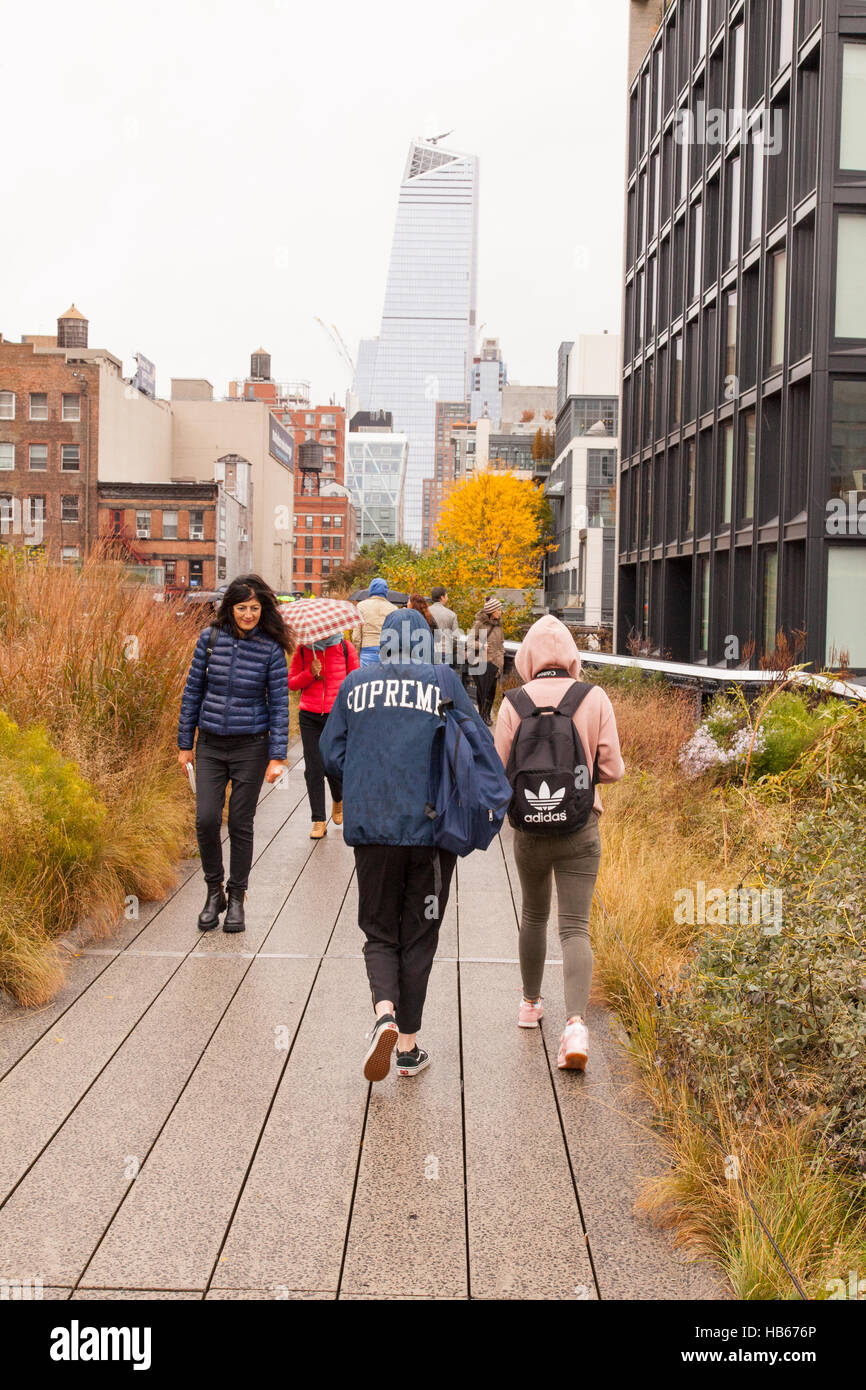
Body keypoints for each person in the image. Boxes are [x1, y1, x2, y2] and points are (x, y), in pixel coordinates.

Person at [320, 608, 490, 1083]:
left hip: (374, 829)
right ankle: (408, 1048)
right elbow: (477, 742)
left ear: (385, 641)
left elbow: (331, 754)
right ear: (427, 641)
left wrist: (363, 782)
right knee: (419, 934)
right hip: (431, 832)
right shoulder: (443, 681)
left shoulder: (356, 684)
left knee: (378, 930)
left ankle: (385, 1015)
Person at [493, 614, 624, 1070]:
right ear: (571, 655)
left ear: (527, 658)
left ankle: (530, 1005)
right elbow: (613, 769)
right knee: (574, 928)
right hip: (580, 828)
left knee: (533, 915)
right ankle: (575, 1026)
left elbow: (498, 770)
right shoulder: (593, 697)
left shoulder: (513, 703)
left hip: (529, 830)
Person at [178, 574, 291, 934]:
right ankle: (214, 892)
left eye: (254, 608)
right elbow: (192, 692)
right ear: (230, 607)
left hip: (251, 747)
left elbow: (279, 705)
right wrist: (185, 745)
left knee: (241, 823)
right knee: (206, 819)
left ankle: (237, 896)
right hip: (210, 744)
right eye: (242, 607)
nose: (248, 614)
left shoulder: (270, 649)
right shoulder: (210, 639)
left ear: (263, 609)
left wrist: (277, 755)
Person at [289, 633, 359, 838]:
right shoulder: (304, 649)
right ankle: (318, 820)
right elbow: (291, 683)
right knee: (313, 768)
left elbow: (356, 683)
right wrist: (310, 673)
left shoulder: (345, 648)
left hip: (336, 716)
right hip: (309, 716)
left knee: (332, 764)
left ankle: (338, 798)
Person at [469, 596, 504, 725]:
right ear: (492, 611)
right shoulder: (479, 624)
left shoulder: (499, 626)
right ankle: (482, 715)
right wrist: (481, 645)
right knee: (483, 691)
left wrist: (500, 663)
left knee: (491, 691)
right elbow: (470, 642)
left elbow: (501, 645)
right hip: (482, 662)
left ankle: (487, 715)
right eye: (498, 610)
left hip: (495, 663)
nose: (500, 612)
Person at [355, 576, 396, 667]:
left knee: (366, 676)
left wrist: (357, 653)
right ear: (386, 591)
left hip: (367, 649)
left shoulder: (361, 606)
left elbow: (356, 637)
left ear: (371, 589)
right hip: (387, 650)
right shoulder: (393, 608)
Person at [428, 584, 462, 666]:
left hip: (429, 652)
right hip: (446, 651)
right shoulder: (451, 614)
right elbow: (456, 637)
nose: (447, 598)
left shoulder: (426, 612)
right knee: (444, 673)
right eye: (447, 596)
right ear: (442, 597)